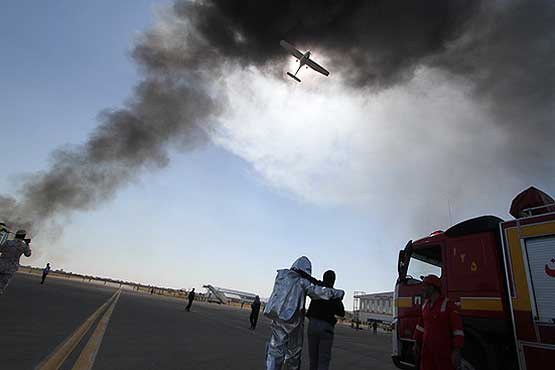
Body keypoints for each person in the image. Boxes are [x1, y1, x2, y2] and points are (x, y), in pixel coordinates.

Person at [264, 256, 344, 370]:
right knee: (293, 353)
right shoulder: (303, 282)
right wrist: (338, 293)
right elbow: (317, 292)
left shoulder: (281, 276)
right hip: (293, 322)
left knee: (274, 349)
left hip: (277, 318)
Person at [414, 274, 464, 370]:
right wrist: (416, 343)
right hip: (426, 351)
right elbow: (420, 326)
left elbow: (457, 330)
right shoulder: (425, 306)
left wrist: (457, 350)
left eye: (424, 286)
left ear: (432, 288)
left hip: (443, 352)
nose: (422, 289)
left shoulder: (449, 305)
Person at [306, 270, 345, 370]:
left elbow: (312, 280)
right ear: (333, 280)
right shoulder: (334, 294)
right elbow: (341, 312)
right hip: (326, 328)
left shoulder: (317, 290)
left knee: (313, 359)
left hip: (313, 325)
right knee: (323, 360)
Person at [0, 230, 32, 295]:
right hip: (11, 268)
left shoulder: (8, 242)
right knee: (2, 285)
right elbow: (28, 254)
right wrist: (27, 244)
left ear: (16, 235)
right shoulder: (24, 246)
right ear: (23, 237)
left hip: (1, 264)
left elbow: (1, 249)